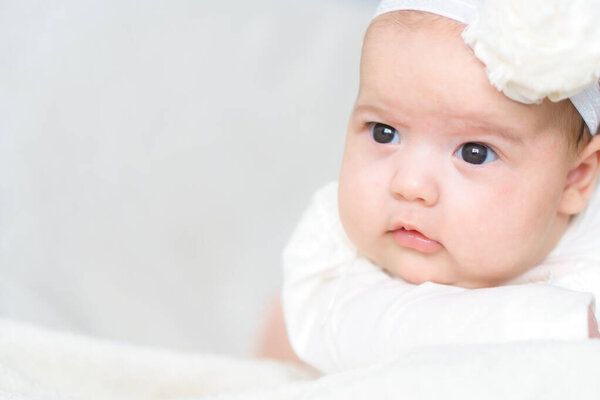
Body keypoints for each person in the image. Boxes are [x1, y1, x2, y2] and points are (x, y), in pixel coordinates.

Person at [282, 0, 600, 374]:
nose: (410, 184)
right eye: (384, 133)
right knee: (277, 328)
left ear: (574, 179)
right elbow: (359, 333)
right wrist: (569, 327)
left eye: (474, 153)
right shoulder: (332, 245)